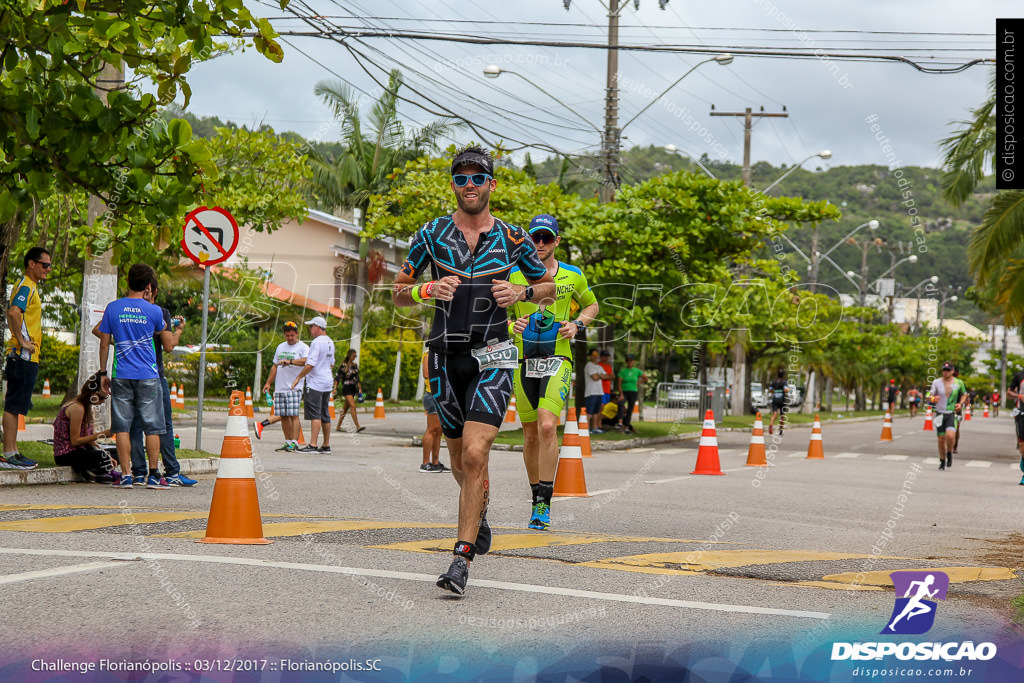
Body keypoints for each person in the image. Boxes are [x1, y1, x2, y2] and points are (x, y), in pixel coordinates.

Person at [392, 144, 555, 595]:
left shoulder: (513, 238)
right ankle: (479, 508)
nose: (469, 186)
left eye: (477, 178)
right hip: (445, 357)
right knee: (461, 461)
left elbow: (548, 287)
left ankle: (460, 561)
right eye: (461, 178)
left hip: (495, 354)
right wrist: (426, 287)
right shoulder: (431, 233)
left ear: (491, 185)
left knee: (476, 453)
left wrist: (520, 294)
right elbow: (398, 291)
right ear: (453, 185)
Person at [508, 213, 598, 530]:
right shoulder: (515, 275)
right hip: (522, 361)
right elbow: (495, 315)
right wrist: (511, 324)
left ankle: (544, 505)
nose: (541, 243)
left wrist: (578, 324)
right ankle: (536, 498)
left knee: (548, 427)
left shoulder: (572, 275)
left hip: (558, 358)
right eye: (535, 237)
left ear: (556, 241)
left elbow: (591, 305)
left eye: (547, 238)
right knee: (530, 434)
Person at [97, 263, 169, 489]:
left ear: (127, 281)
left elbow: (104, 343)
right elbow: (161, 329)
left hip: (121, 375)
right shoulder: (154, 310)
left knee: (123, 427)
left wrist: (102, 373)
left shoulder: (113, 308)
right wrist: (146, 305)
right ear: (148, 286)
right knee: (153, 427)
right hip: (149, 375)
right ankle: (154, 474)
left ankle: (127, 475)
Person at [124, 280, 196, 487]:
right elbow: (169, 346)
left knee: (136, 426)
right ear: (155, 291)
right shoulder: (159, 312)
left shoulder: (127, 312)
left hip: (129, 375)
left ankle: (138, 472)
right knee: (162, 425)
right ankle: (171, 472)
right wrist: (179, 329)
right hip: (153, 375)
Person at [1, 247, 51, 470]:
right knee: (13, 405)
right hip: (22, 355)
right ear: (31, 263)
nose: (48, 269)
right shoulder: (26, 286)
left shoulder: (31, 287)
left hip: (28, 357)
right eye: (44, 265)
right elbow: (13, 312)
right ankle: (9, 454)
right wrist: (22, 342)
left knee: (17, 404)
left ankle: (13, 451)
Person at [52, 372, 116, 482]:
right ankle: (95, 471)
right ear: (92, 393)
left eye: (105, 398)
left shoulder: (88, 408)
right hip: (66, 454)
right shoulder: (78, 408)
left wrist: (107, 454)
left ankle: (94, 471)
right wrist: (101, 434)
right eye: (101, 398)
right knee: (101, 455)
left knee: (116, 452)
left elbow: (89, 440)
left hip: (81, 450)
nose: (102, 401)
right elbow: (75, 441)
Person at [255, 321, 308, 451]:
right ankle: (288, 441)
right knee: (283, 415)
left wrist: (290, 361)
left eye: (292, 335)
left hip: (294, 386)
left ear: (297, 333)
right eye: (287, 335)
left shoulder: (303, 347)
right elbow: (275, 366)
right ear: (284, 334)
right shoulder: (280, 347)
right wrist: (268, 383)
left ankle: (295, 442)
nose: (290, 338)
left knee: (293, 415)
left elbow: (307, 361)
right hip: (280, 387)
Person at [291, 317, 334, 454]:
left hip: (315, 383)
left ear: (317, 327)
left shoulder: (316, 342)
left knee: (315, 414)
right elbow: (331, 364)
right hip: (327, 382)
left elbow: (310, 364)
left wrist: (298, 377)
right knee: (325, 413)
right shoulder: (330, 341)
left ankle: (313, 445)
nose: (310, 330)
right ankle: (326, 445)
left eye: (311, 327)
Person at [929, 362, 967, 471]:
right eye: (944, 370)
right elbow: (929, 395)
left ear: (952, 371)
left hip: (951, 414)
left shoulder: (958, 383)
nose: (945, 372)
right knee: (941, 439)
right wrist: (932, 399)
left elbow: (964, 393)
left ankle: (949, 452)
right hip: (940, 414)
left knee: (950, 436)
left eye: (948, 370)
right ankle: (942, 460)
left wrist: (960, 403)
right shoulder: (936, 382)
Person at [419, 350, 449, 473]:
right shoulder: (429, 353)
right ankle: (425, 463)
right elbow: (426, 374)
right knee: (432, 429)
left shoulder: (444, 353)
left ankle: (435, 462)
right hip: (432, 394)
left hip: (443, 394)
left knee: (439, 430)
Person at [333, 349, 365, 433]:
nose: (354, 357)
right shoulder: (343, 366)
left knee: (345, 409)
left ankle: (338, 426)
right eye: (353, 356)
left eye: (355, 356)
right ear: (349, 355)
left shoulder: (355, 365)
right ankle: (357, 426)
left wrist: (360, 388)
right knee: (353, 406)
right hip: (346, 388)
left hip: (353, 388)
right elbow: (337, 377)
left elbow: (356, 378)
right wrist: (335, 388)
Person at [617, 354, 646, 435]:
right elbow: (619, 383)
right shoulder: (623, 371)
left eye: (631, 360)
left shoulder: (637, 371)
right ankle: (620, 422)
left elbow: (645, 378)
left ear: (633, 361)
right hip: (624, 391)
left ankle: (627, 427)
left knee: (630, 409)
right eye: (628, 360)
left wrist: (638, 382)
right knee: (620, 403)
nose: (629, 362)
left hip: (633, 391)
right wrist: (621, 394)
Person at [584, 349, 607, 434]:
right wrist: (601, 375)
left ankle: (594, 428)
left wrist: (599, 375)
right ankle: (586, 428)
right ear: (590, 356)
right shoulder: (589, 365)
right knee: (589, 411)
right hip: (591, 392)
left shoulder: (599, 366)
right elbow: (595, 377)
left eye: (596, 354)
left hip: (599, 392)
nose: (595, 356)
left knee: (596, 411)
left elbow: (608, 376)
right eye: (593, 354)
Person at [1008, 372, 1024, 485]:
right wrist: (1019, 396)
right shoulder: (1019, 376)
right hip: (1021, 412)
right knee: (1022, 445)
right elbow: (1008, 393)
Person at [768, 369, 788, 436]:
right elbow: (785, 390)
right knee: (782, 416)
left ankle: (771, 423)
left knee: (775, 414)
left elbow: (770, 390)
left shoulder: (774, 382)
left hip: (775, 400)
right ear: (783, 375)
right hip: (782, 400)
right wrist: (788, 389)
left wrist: (775, 391)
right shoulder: (784, 382)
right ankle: (781, 430)